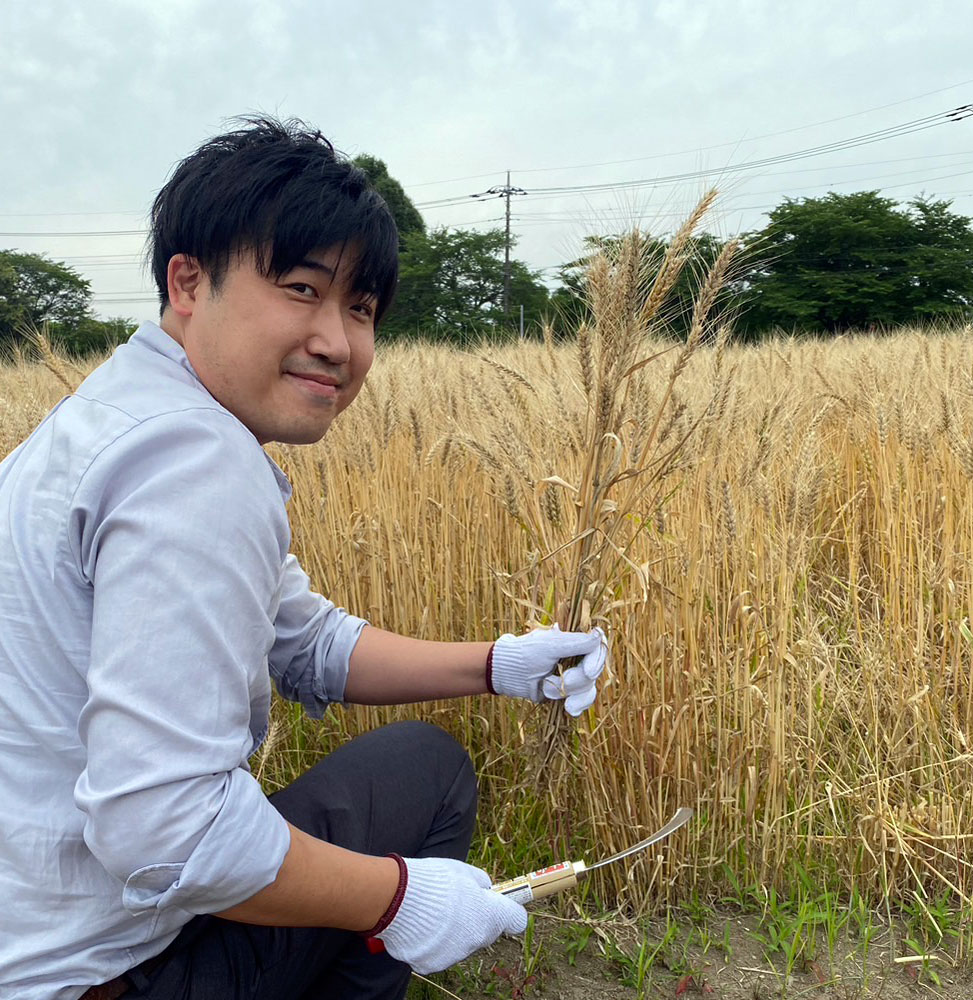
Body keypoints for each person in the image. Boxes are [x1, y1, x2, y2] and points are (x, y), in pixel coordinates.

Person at [0, 116, 608, 1000]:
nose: (338, 340)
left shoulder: (108, 425)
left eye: (360, 308)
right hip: (91, 973)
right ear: (188, 282)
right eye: (300, 288)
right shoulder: (196, 463)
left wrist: (499, 666)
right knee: (430, 780)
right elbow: (164, 830)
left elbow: (307, 643)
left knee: (415, 761)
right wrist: (398, 899)